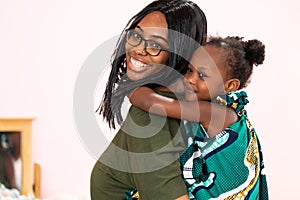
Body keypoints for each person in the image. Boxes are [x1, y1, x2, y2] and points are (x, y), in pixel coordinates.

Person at [91, 0, 207, 199]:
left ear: (179, 55)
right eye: (136, 35)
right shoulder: (188, 104)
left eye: (155, 45)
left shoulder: (149, 115)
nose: (138, 49)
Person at [130, 36, 269, 199]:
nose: (190, 79)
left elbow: (149, 102)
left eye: (202, 75)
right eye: (190, 70)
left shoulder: (213, 112)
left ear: (230, 86)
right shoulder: (225, 108)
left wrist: (134, 87)